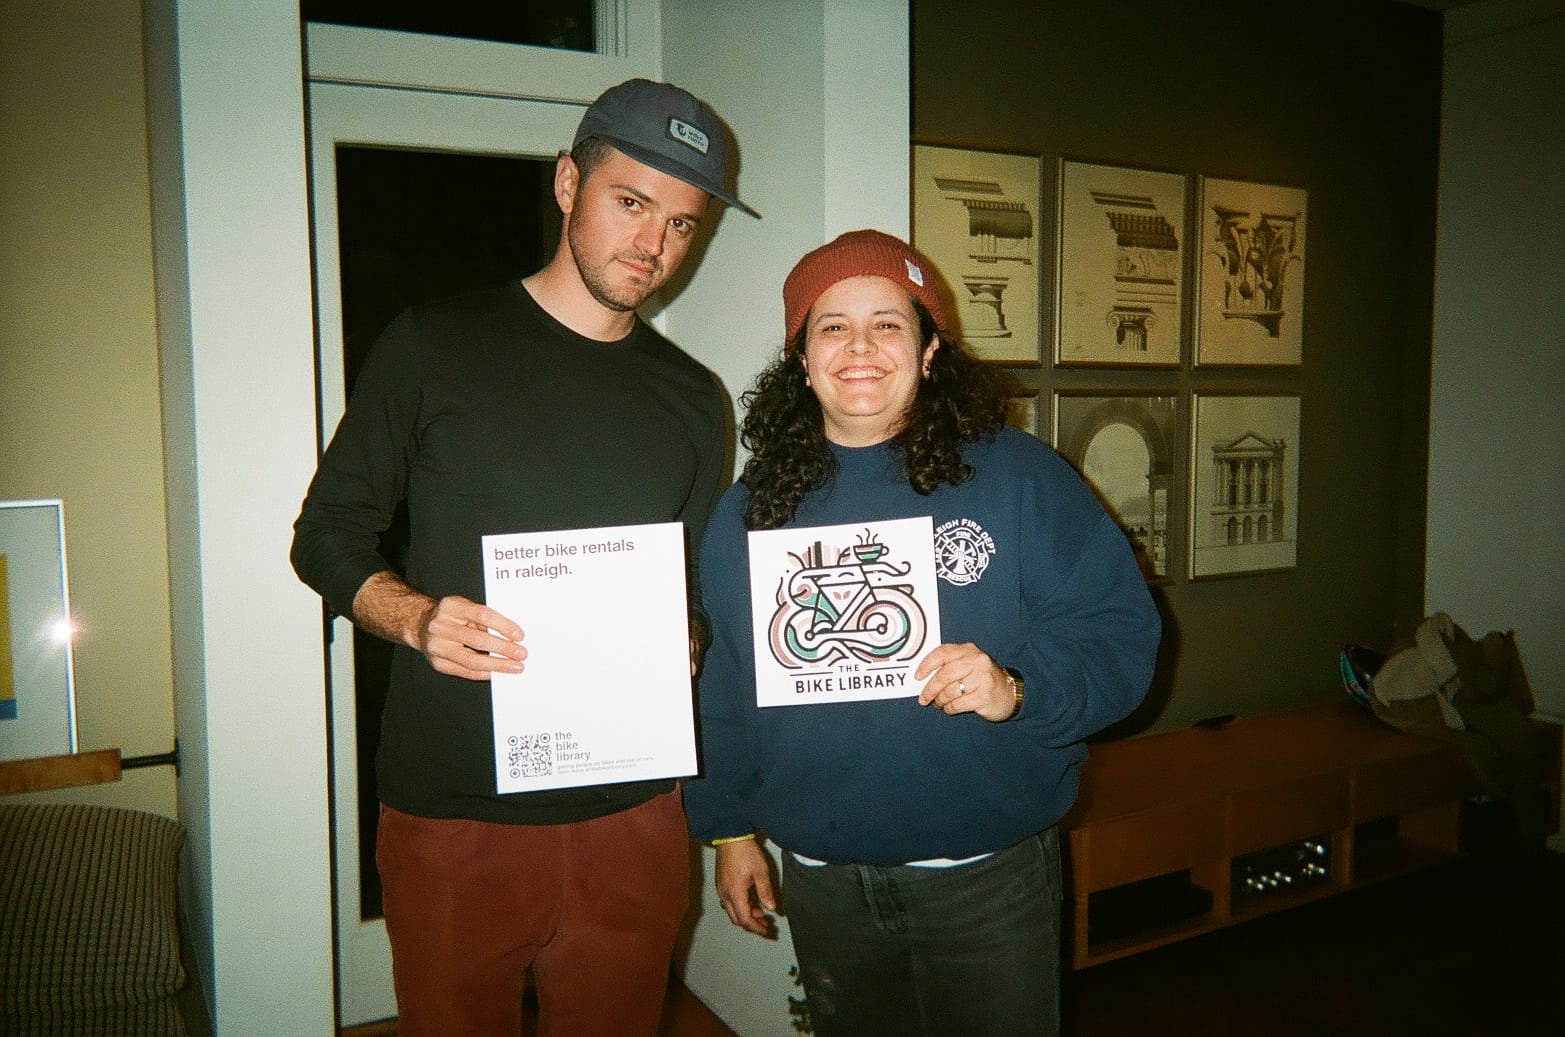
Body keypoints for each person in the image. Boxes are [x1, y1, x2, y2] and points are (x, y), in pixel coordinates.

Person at [290, 78, 757, 1037]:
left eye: (681, 222)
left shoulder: (694, 397)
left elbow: (694, 589)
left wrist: (687, 634)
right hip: (458, 809)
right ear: (566, 184)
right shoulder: (432, 346)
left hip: (633, 809)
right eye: (631, 202)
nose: (653, 243)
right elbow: (325, 532)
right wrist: (416, 618)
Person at [682, 229, 1161, 1036]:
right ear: (800, 358)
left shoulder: (1017, 476)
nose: (859, 348)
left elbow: (1119, 631)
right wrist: (727, 828)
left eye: (887, 324)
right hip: (824, 881)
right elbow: (724, 682)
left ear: (930, 349)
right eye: (832, 326)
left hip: (987, 878)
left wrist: (1018, 688)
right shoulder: (751, 507)